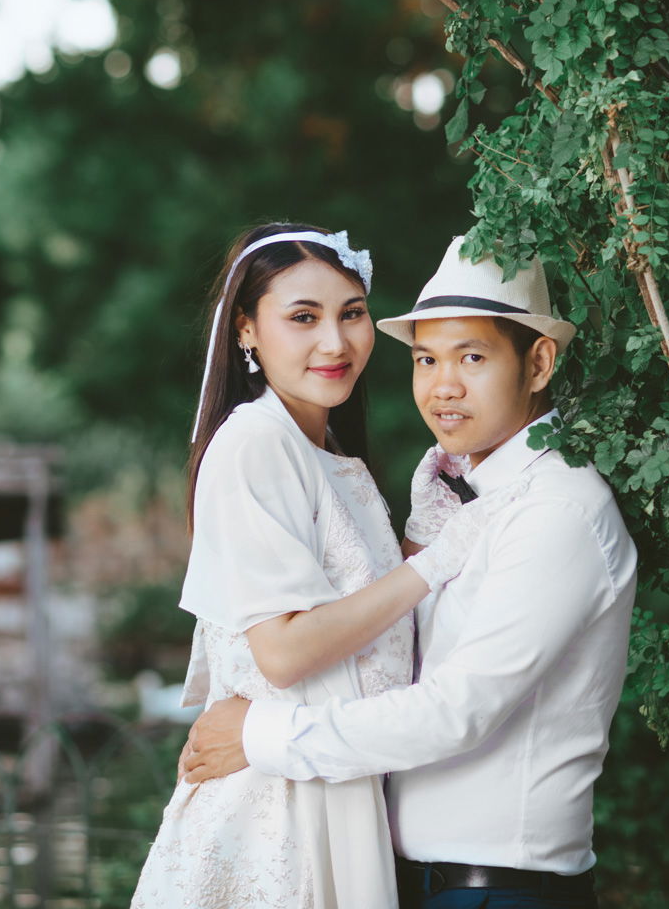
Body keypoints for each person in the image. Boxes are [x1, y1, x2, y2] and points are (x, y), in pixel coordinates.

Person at [182, 237, 639, 909]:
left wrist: (259, 735)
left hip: (495, 887)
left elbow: (457, 711)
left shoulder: (558, 509)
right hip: (401, 875)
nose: (443, 385)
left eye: (473, 357)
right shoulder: (453, 498)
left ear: (538, 362)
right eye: (426, 359)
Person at [129, 224, 496, 909]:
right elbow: (285, 653)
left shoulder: (329, 454)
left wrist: (423, 530)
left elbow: (368, 634)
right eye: (303, 317)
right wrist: (438, 562)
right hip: (277, 807)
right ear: (247, 330)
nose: (336, 342)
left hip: (330, 778)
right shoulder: (254, 445)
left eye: (351, 314)